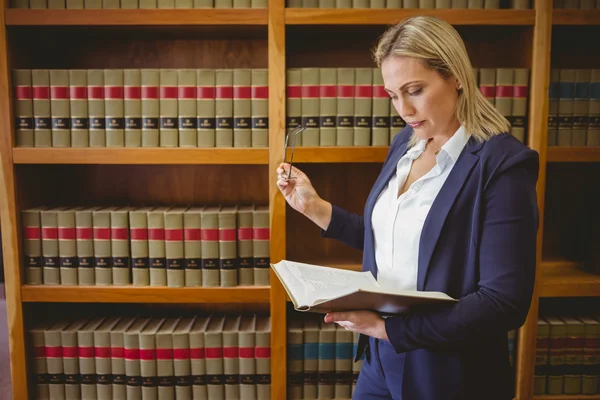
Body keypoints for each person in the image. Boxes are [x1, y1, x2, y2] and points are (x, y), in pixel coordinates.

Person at [276, 15, 539, 400]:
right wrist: (315, 207)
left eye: (414, 90)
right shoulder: (407, 142)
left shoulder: (503, 164)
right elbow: (397, 240)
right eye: (393, 95)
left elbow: (504, 303)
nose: (403, 108)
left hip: (449, 372)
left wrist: (389, 330)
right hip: (380, 360)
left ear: (456, 76)